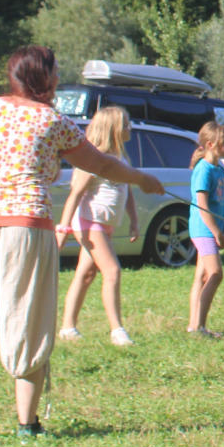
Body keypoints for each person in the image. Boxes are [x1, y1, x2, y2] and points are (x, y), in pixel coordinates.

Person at [0, 46, 165, 442]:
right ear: (44, 77)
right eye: (54, 71)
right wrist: (141, 179)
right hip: (27, 227)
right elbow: (101, 164)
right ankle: (27, 427)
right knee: (28, 320)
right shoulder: (53, 121)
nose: (57, 77)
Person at [55, 106, 142, 347]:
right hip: (89, 223)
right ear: (113, 129)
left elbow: (127, 189)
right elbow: (75, 195)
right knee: (112, 271)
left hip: (105, 225)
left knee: (86, 274)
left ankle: (67, 327)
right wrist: (63, 229)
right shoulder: (93, 160)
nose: (130, 128)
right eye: (125, 124)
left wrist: (134, 219)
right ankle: (117, 331)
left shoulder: (120, 158)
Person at [187, 121, 224, 338]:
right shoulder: (203, 170)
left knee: (203, 275)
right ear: (211, 145)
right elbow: (202, 206)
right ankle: (200, 327)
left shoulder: (221, 170)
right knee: (215, 274)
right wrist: (216, 232)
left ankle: (193, 326)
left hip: (214, 229)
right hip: (203, 230)